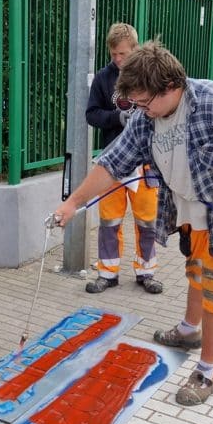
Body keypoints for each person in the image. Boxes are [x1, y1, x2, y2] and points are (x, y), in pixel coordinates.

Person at [54, 40, 213, 406]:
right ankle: (189, 331)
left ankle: (207, 372)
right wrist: (73, 203)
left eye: (145, 102)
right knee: (198, 274)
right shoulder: (146, 119)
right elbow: (112, 163)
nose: (141, 110)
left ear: (171, 86)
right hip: (190, 214)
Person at [85, 23, 163, 295]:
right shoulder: (103, 79)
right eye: (114, 54)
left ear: (135, 49)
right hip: (113, 162)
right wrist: (117, 117)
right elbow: (91, 114)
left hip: (145, 162)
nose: (118, 59)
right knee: (109, 220)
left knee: (147, 220)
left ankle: (146, 272)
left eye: (123, 54)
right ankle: (108, 273)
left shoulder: (147, 75)